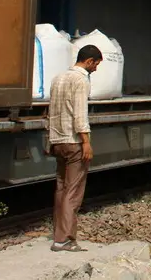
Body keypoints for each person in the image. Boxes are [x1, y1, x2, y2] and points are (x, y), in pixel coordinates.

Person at [47, 44, 103, 253]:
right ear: (88, 61)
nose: (96, 69)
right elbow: (80, 114)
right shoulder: (81, 80)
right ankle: (65, 240)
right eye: (96, 64)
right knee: (74, 192)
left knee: (61, 190)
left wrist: (50, 139)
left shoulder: (58, 78)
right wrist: (86, 142)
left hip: (58, 141)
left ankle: (58, 235)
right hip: (73, 142)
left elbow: (51, 112)